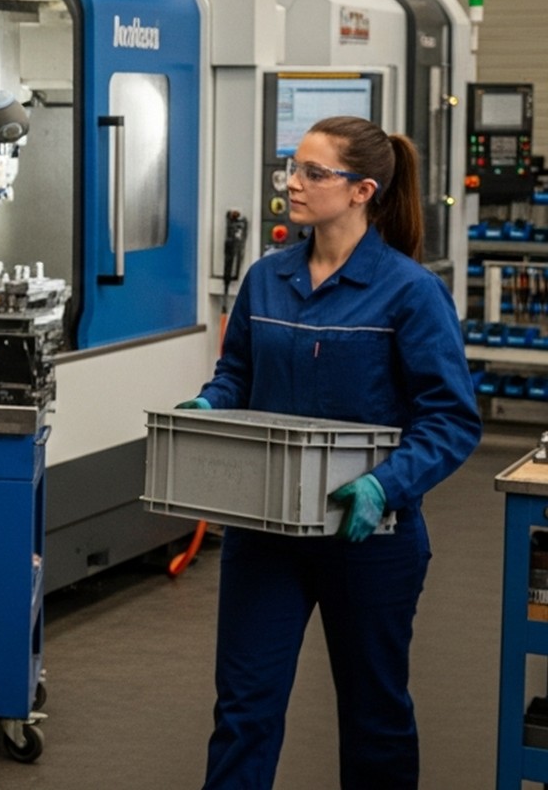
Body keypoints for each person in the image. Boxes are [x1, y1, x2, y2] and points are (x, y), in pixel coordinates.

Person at [179, 116, 480, 790]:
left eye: (314, 172)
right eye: (292, 167)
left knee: (375, 717)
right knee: (244, 711)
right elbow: (237, 374)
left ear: (361, 191)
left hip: (369, 539)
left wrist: (384, 486)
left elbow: (451, 419)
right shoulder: (267, 278)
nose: (293, 182)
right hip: (267, 529)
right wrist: (209, 405)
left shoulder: (409, 291)